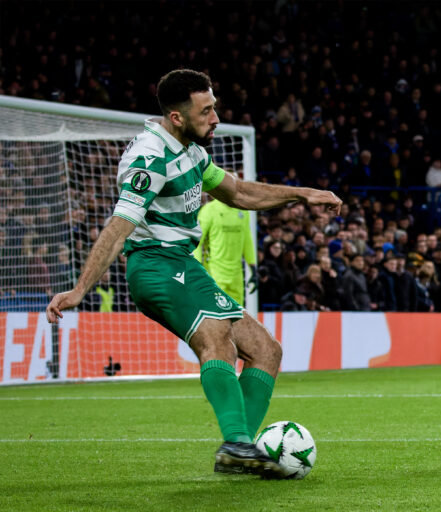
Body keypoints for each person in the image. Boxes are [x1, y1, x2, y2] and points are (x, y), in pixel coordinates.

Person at [45, 69, 342, 477]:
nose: (216, 118)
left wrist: (302, 193)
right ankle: (237, 443)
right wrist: (80, 289)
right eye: (206, 111)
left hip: (182, 264)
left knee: (266, 350)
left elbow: (237, 193)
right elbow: (118, 228)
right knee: (217, 335)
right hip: (153, 265)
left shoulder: (193, 151)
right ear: (177, 117)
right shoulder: (150, 158)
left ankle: (242, 452)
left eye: (214, 107)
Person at [192, 198, 256, 307]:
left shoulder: (243, 210)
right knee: (217, 315)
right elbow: (196, 242)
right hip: (214, 273)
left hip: (236, 275)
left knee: (237, 316)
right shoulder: (209, 210)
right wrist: (197, 268)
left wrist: (253, 267)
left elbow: (247, 240)